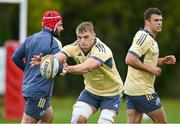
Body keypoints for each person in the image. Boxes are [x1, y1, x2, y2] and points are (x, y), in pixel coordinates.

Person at [31, 21, 124, 124]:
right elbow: (59, 56)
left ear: (94, 35)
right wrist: (46, 60)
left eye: (86, 37)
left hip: (112, 93)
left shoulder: (102, 50)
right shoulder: (75, 46)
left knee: (105, 122)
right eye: (79, 37)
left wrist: (67, 69)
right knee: (77, 120)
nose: (82, 41)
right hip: (91, 91)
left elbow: (86, 67)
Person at [124, 7, 176, 123]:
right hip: (142, 90)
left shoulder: (150, 38)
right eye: (156, 20)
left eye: (161, 20)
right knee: (161, 122)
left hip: (133, 89)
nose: (160, 23)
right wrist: (151, 69)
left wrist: (162, 61)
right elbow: (129, 59)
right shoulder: (144, 38)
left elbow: (143, 59)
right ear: (147, 22)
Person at [12, 10, 64, 124]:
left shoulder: (31, 38)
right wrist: (62, 69)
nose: (62, 28)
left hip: (28, 87)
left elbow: (15, 57)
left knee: (48, 117)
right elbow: (59, 68)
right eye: (60, 25)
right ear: (53, 25)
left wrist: (28, 69)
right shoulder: (54, 43)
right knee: (27, 122)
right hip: (39, 92)